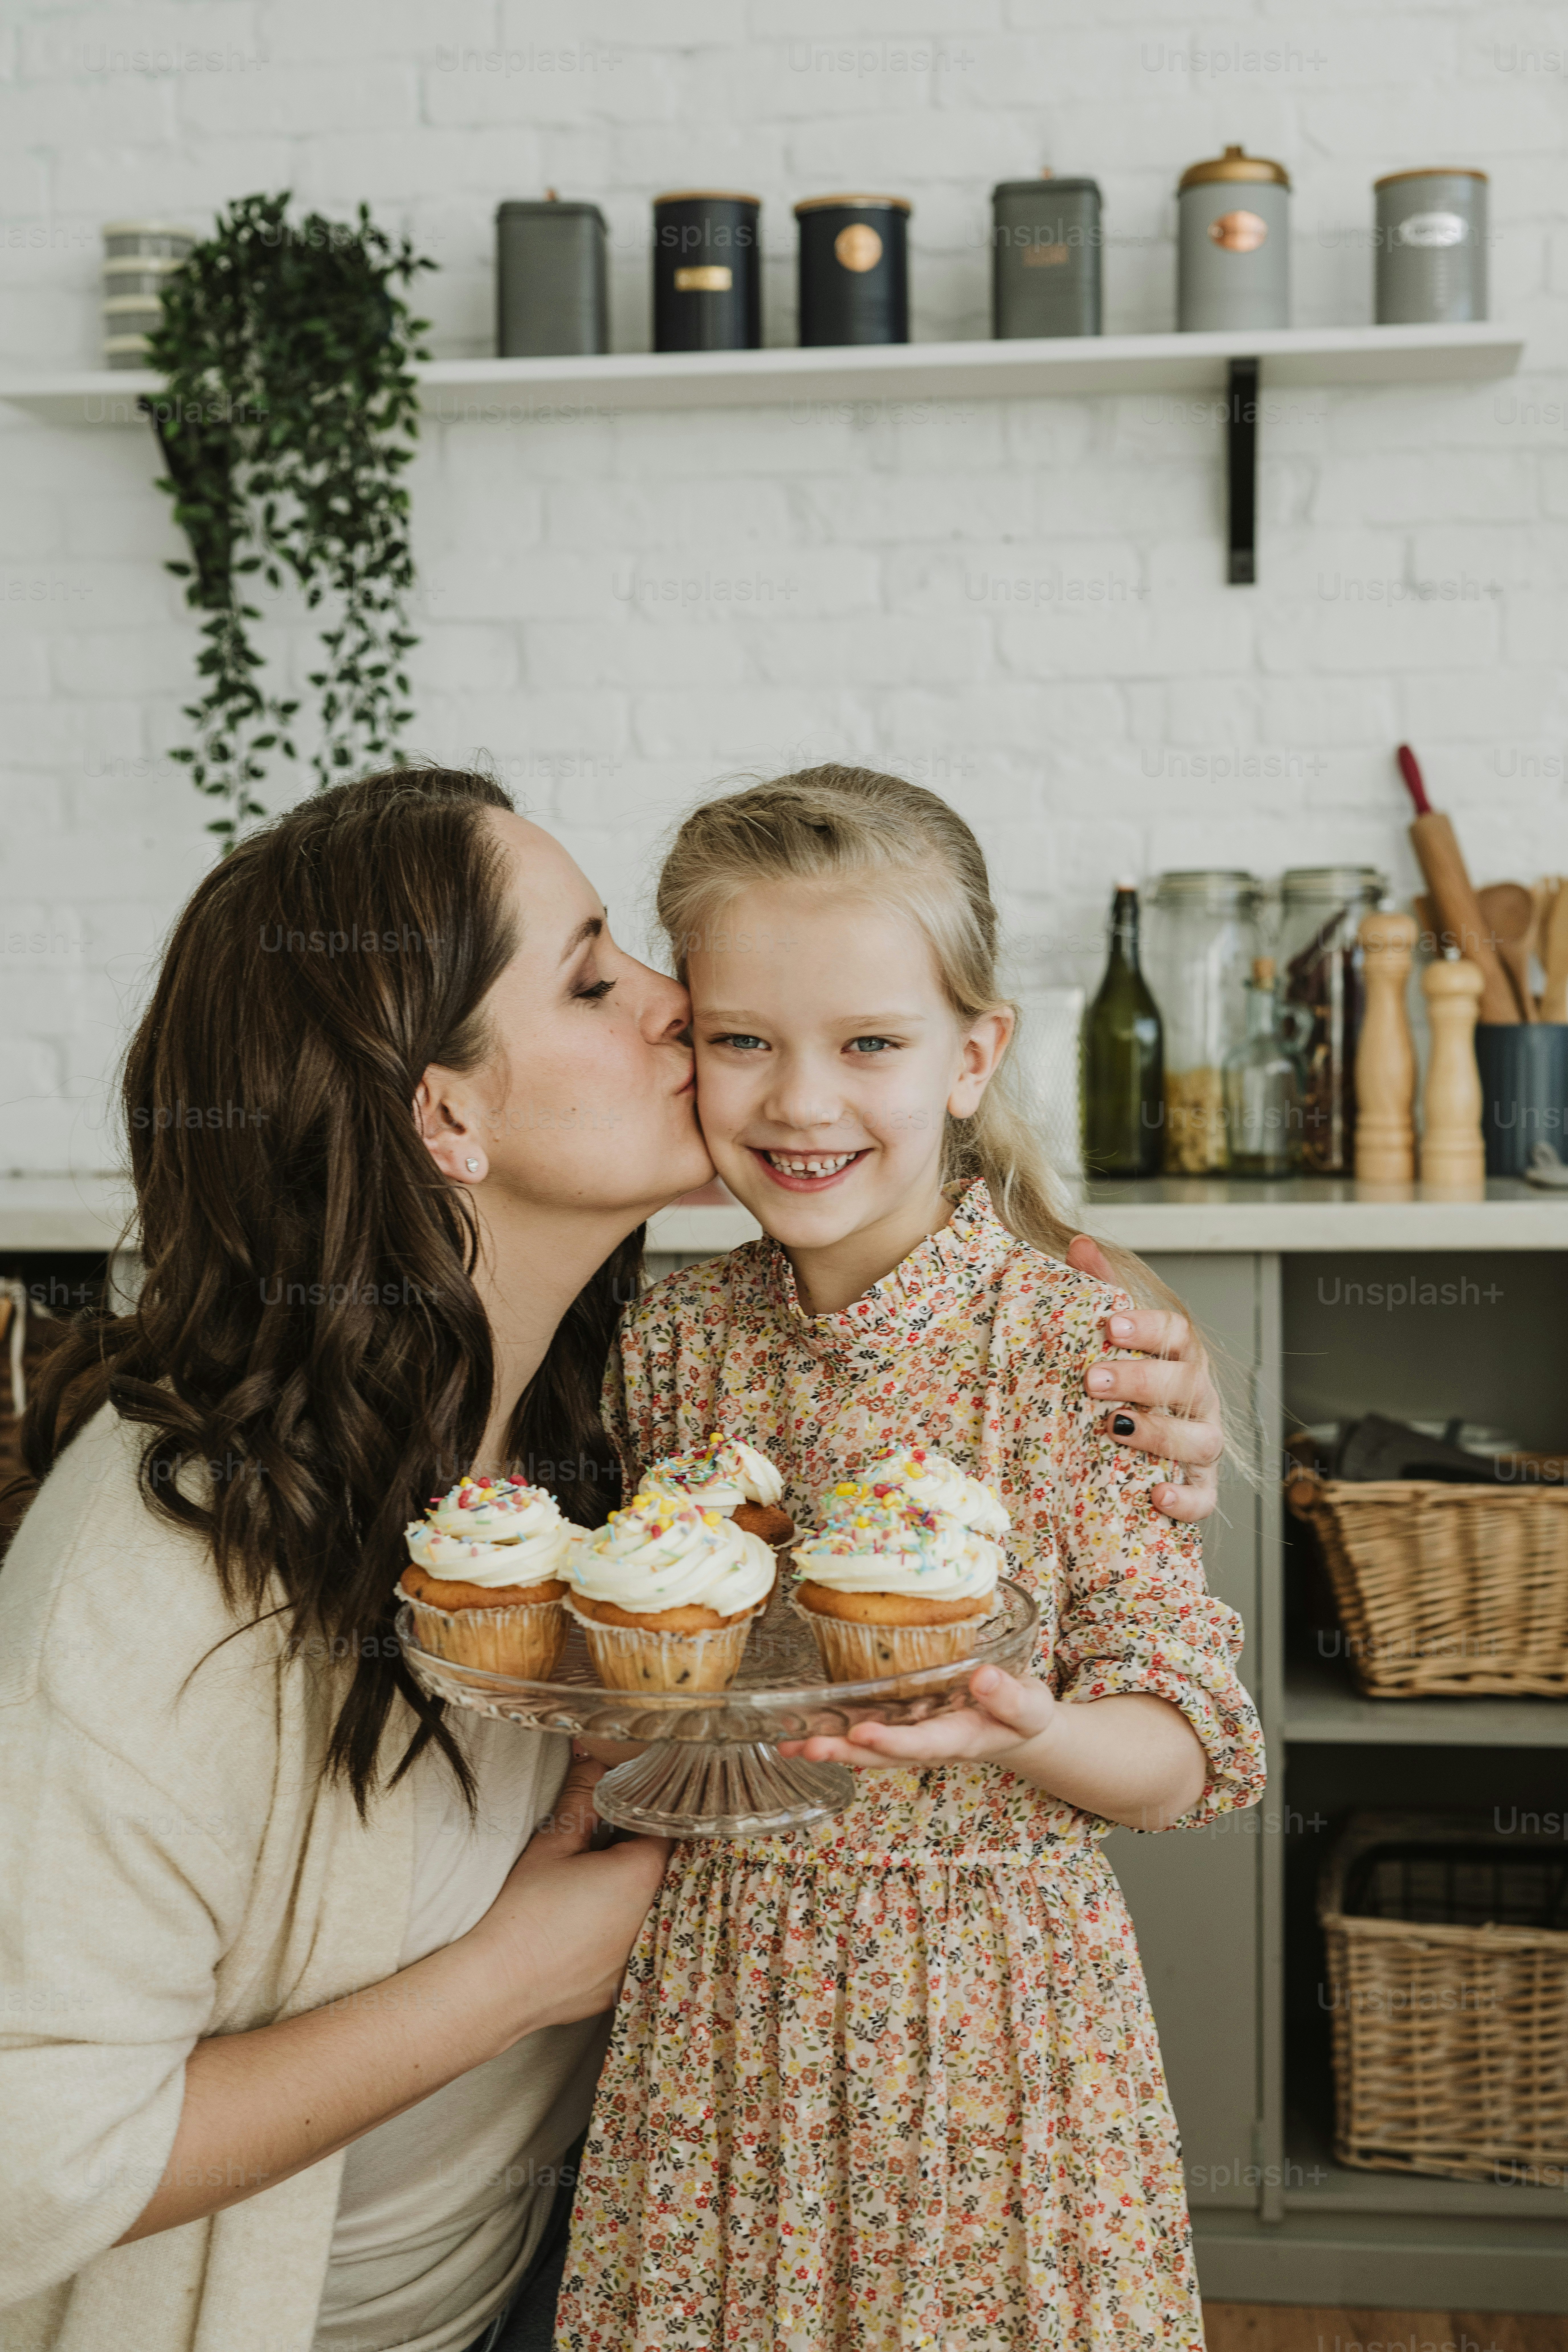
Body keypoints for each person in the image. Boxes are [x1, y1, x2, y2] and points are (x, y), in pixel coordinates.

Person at [0, 767, 1228, 2352]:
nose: (684, 1009)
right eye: (599, 977)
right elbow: (29, 2150)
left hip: (690, 2198)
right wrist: (511, 1980)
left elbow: (922, 1329)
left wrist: (1122, 1349)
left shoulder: (591, 1400)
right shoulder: (165, 1568)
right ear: (447, 1113)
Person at [554, 767, 1266, 2352]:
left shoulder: (1082, 1351)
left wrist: (1037, 1725)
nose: (803, 1103)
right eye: (745, 1040)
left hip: (999, 2027)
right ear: (689, 1050)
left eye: (871, 1042)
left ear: (975, 1054)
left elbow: (1196, 1755)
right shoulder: (660, 1342)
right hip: (717, 2004)